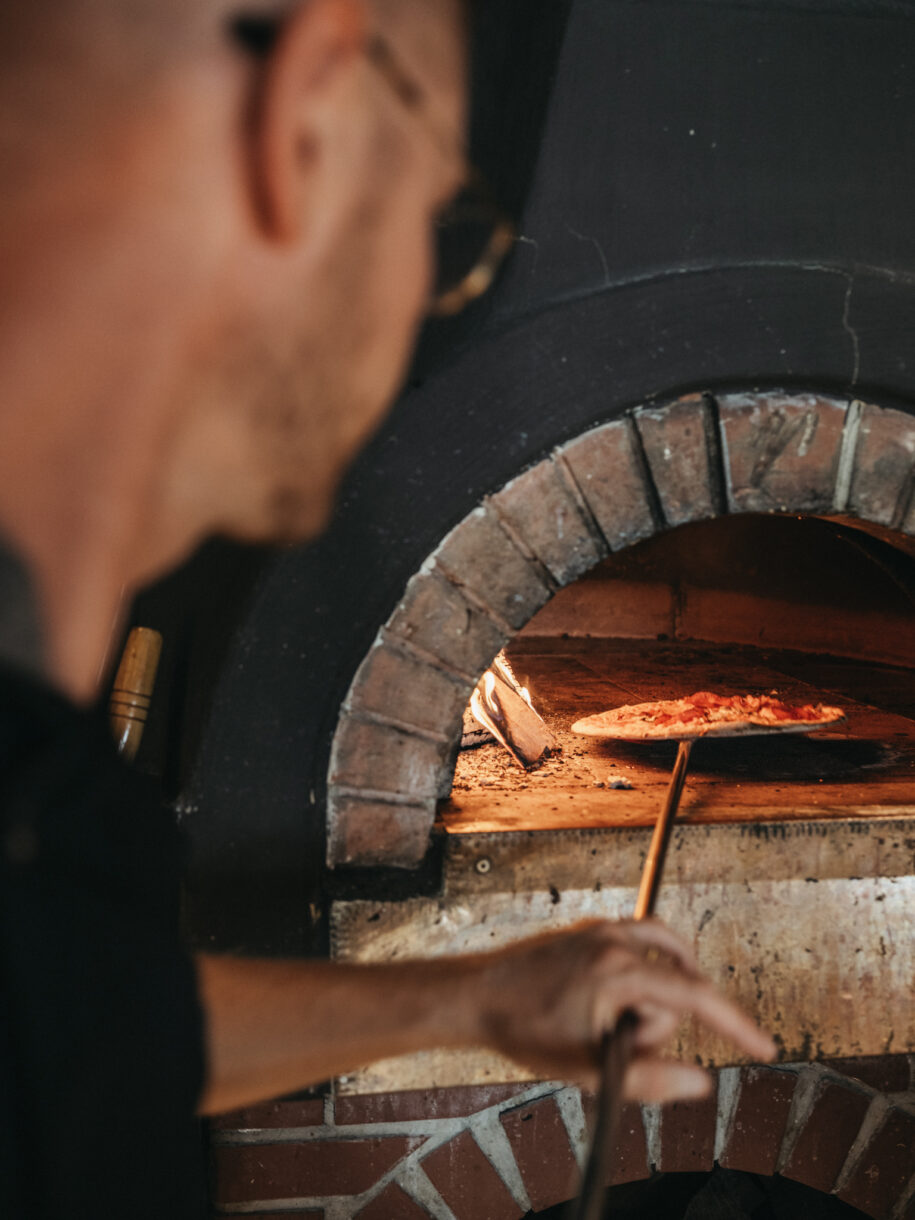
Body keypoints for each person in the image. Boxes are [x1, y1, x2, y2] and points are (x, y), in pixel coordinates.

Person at [0, 0, 775, 1214]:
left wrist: (467, 999)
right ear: (306, 114)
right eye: (446, 226)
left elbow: (69, 1010)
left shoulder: (38, 799)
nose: (427, 293)